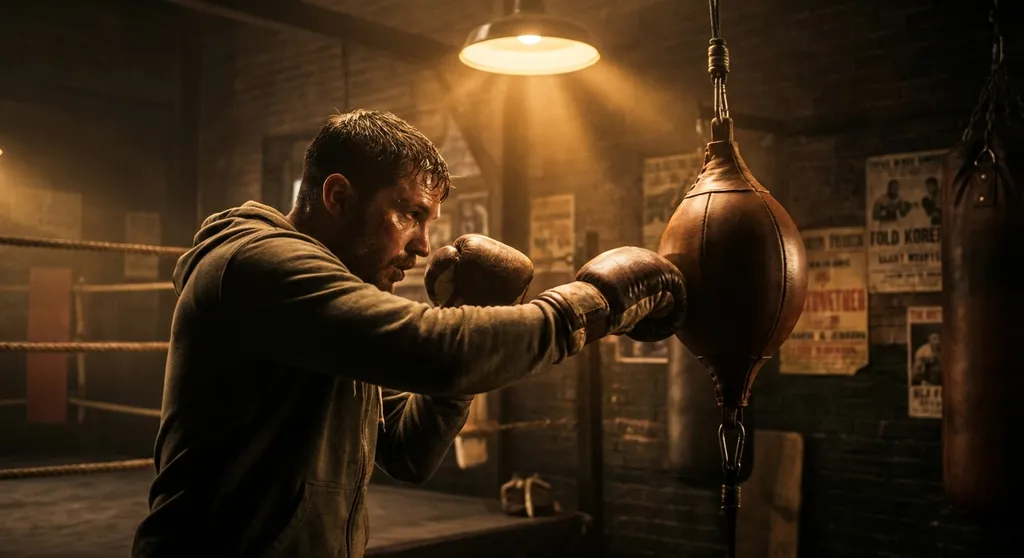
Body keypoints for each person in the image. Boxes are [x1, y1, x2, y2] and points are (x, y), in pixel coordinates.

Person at [131, 109, 687, 558]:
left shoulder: (336, 304)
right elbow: (432, 349)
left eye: (430, 224)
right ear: (338, 197)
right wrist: (592, 306)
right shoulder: (258, 265)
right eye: (409, 214)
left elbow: (408, 450)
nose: (424, 245)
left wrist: (466, 335)